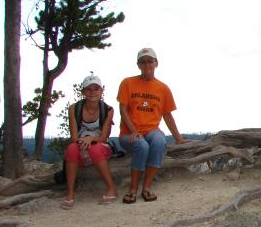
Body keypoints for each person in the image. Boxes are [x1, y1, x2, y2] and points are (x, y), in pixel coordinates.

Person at [117, 47, 191, 204]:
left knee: (159, 141)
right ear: (138, 65)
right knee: (141, 146)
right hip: (128, 133)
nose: (147, 65)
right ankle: (132, 189)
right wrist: (134, 131)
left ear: (156, 63)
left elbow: (167, 115)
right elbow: (122, 110)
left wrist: (178, 139)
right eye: (143, 62)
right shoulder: (128, 83)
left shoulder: (163, 88)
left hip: (151, 131)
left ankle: (147, 187)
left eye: (150, 61)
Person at [61, 74, 118, 209]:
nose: (92, 92)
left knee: (95, 149)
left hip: (99, 144)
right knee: (71, 149)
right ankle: (70, 193)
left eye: (96, 89)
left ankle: (111, 188)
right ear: (83, 91)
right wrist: (84, 142)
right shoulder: (74, 109)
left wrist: (91, 139)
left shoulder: (108, 110)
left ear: (101, 90)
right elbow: (74, 137)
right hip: (80, 143)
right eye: (89, 89)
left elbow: (103, 137)